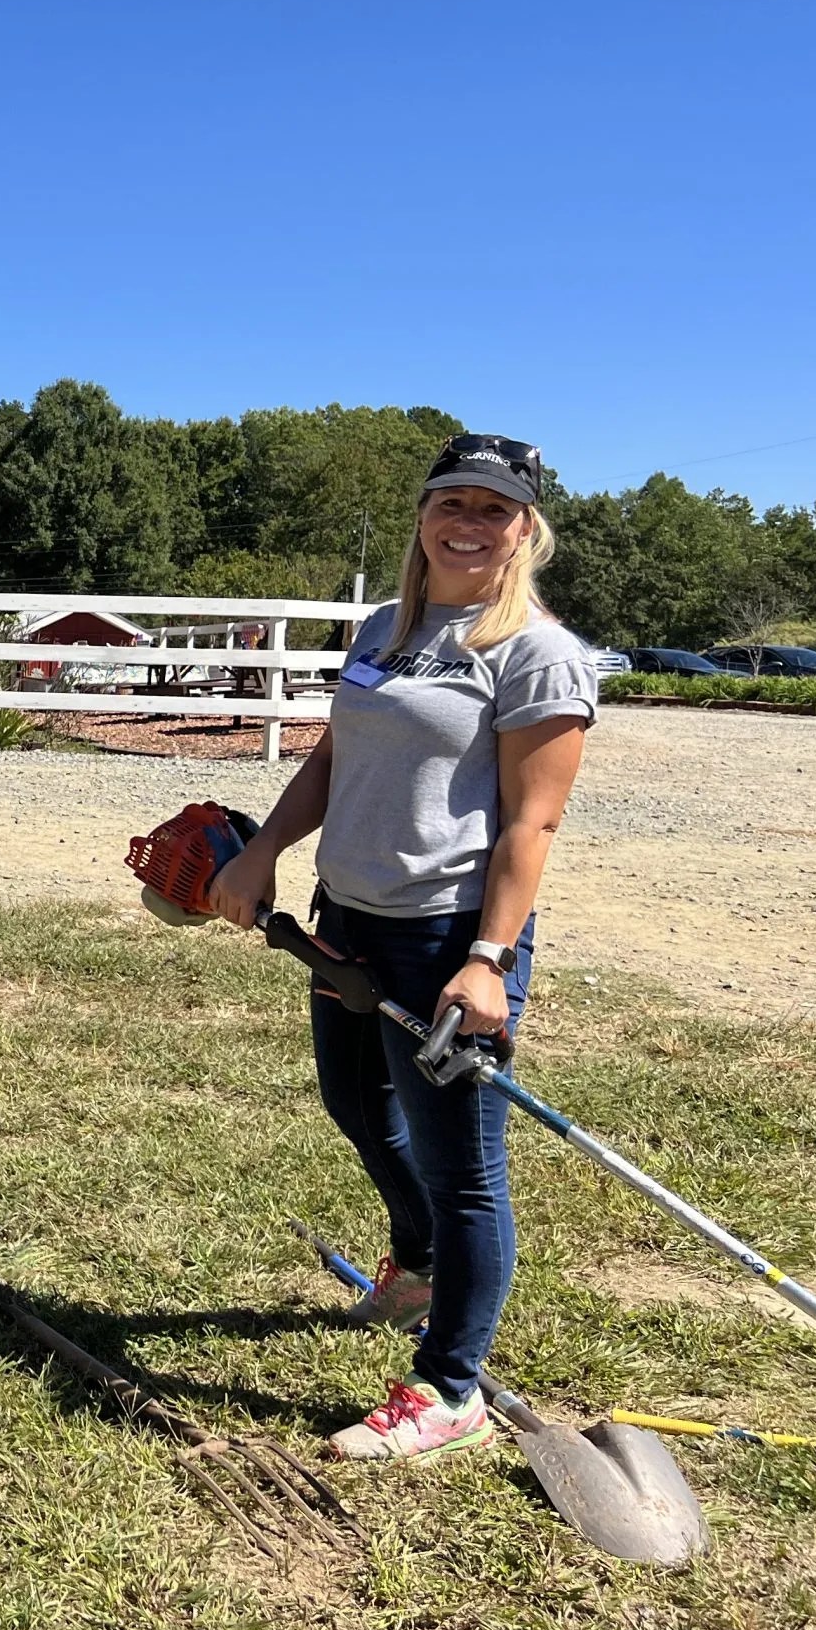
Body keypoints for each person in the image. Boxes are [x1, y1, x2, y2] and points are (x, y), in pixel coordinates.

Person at [210, 434, 595, 1464]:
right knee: (353, 1101)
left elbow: (531, 824)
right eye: (449, 503)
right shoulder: (389, 629)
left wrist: (487, 957)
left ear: (525, 528)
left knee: (464, 1166)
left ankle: (450, 1384)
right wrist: (265, 854)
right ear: (421, 517)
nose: (466, 524)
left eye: (492, 509)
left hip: (445, 935)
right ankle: (417, 1267)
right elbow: (335, 755)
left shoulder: (535, 653)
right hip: (350, 913)